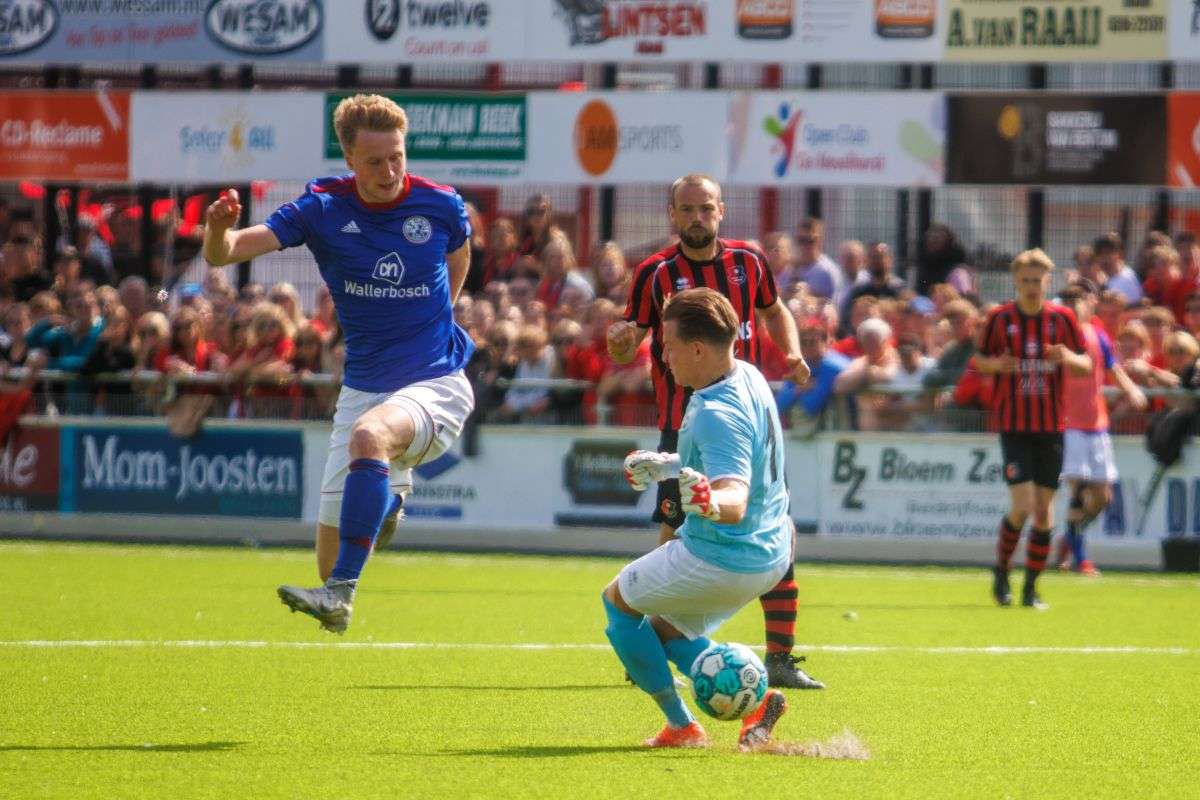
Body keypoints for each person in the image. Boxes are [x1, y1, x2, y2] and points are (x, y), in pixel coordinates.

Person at [202, 93, 475, 634]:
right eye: (374, 161)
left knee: (370, 439)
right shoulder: (322, 209)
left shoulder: (441, 204)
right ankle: (379, 514)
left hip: (437, 383)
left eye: (397, 157)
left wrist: (439, 318)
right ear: (349, 158)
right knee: (330, 558)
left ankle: (340, 596)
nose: (390, 171)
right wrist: (216, 228)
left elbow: (459, 254)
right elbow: (225, 252)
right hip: (364, 391)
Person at [607, 173, 821, 690]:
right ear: (672, 215)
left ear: (721, 211)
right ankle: (646, 648)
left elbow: (775, 312)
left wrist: (792, 352)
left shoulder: (749, 262)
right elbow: (630, 339)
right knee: (675, 528)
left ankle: (780, 658)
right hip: (681, 422)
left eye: (706, 208)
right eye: (687, 209)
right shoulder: (655, 273)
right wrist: (619, 340)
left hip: (740, 417)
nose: (697, 217)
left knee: (775, 524)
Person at [611, 287, 791, 750]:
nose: (662, 355)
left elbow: (734, 496)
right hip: (770, 552)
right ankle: (758, 705)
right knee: (665, 630)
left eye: (668, 345)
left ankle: (682, 726)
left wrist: (711, 503)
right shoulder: (746, 375)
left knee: (617, 603)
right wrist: (666, 466)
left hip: (725, 554)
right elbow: (727, 459)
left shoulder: (716, 412)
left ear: (696, 349)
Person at [976, 249, 1091, 610]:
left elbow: (1086, 364)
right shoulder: (1000, 318)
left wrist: (1067, 357)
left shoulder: (1062, 318)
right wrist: (997, 365)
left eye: (1037, 280)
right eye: (1025, 280)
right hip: (1014, 425)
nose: (1031, 286)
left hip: (1051, 427)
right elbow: (978, 359)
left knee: (1043, 512)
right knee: (1023, 505)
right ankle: (1002, 570)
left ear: (1047, 281)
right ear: (1015, 281)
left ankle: (1031, 587)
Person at [1054, 286, 1147, 576]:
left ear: (1089, 303)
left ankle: (1069, 539)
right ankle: (1081, 559)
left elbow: (1112, 368)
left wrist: (1131, 389)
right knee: (1079, 490)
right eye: (1067, 302)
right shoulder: (1057, 338)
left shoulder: (1098, 335)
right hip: (1069, 424)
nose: (1072, 307)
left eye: (1077, 301)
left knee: (1103, 497)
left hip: (1097, 423)